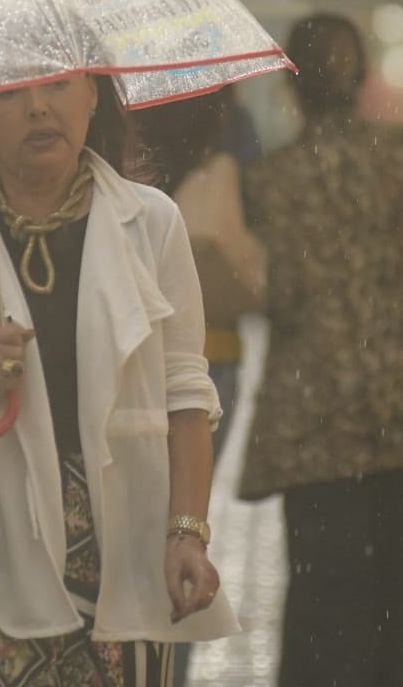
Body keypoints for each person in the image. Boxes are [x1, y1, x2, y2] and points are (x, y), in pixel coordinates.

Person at [0, 74, 237, 687]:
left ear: (92, 97)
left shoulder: (152, 222)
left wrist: (187, 534)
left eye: (58, 85)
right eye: (7, 93)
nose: (36, 107)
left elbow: (185, 399)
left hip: (125, 563)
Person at [240, 13, 403, 687]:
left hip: (318, 429)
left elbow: (277, 294)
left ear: (294, 87)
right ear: (361, 79)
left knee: (321, 615)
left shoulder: (271, 182)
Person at [133, 88, 267, 687]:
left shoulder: (115, 114)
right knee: (183, 526)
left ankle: (139, 662)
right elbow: (259, 219)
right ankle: (169, 670)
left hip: (137, 350)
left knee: (136, 526)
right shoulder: (229, 116)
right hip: (216, 347)